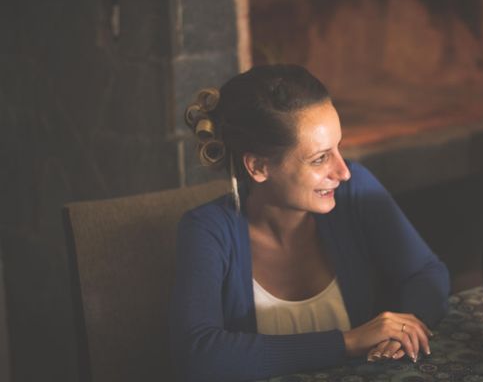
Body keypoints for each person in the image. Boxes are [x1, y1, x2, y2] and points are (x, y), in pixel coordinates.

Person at [170, 64, 450, 382]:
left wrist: (403, 327)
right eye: (320, 158)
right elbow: (197, 354)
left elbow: (426, 272)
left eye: (338, 147)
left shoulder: (354, 188)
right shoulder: (206, 230)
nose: (342, 171)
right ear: (259, 166)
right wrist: (347, 342)